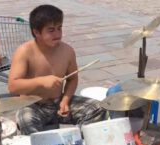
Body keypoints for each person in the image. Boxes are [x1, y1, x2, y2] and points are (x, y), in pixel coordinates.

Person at [8, 4, 106, 135]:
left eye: (59, 28)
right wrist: (41, 81)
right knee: (26, 121)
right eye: (51, 30)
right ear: (36, 32)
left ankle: (81, 143)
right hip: (33, 105)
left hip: (58, 101)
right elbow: (13, 86)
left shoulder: (67, 50)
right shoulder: (24, 51)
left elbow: (72, 79)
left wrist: (65, 101)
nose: (58, 34)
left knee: (98, 108)